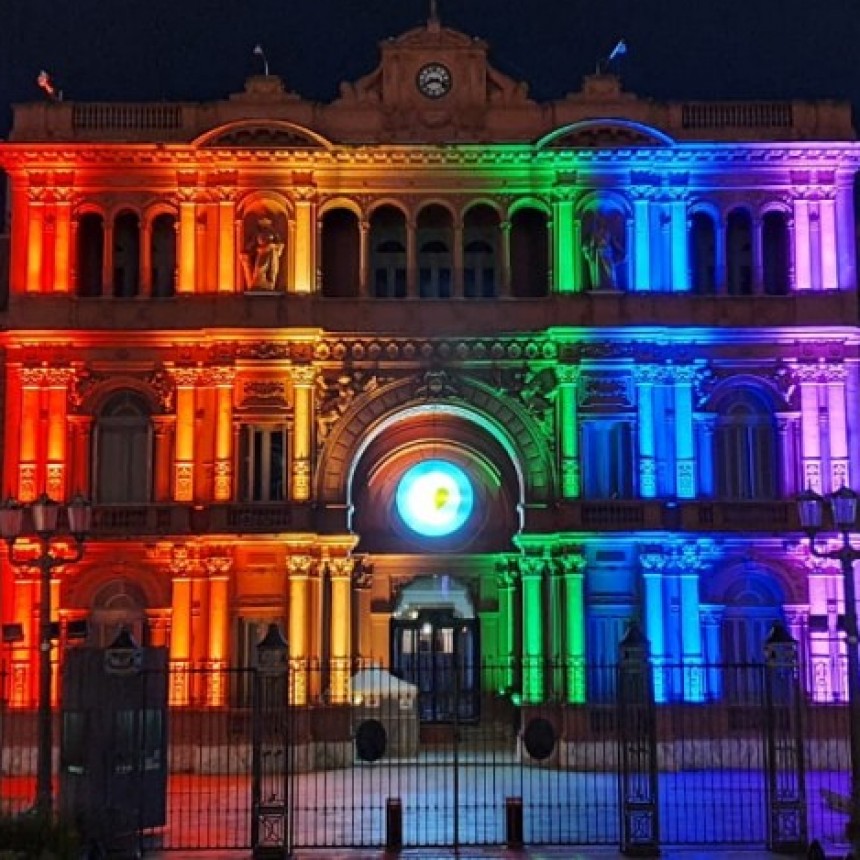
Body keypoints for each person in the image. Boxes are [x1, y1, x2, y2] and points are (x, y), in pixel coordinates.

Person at [241, 218, 285, 290]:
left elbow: (279, 243)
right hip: (261, 253)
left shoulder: (273, 233)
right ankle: (258, 285)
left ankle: (270, 286)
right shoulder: (257, 234)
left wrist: (274, 246)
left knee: (272, 271)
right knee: (259, 269)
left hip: (272, 253)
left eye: (266, 223)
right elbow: (252, 243)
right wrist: (247, 251)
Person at [583, 217, 624, 290]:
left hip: (607, 254)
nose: (601, 224)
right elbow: (587, 247)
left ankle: (611, 285)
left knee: (609, 274)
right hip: (597, 256)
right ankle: (598, 286)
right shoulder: (594, 234)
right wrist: (592, 243)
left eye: (603, 222)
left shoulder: (608, 233)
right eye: (600, 222)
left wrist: (618, 248)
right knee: (598, 275)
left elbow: (616, 246)